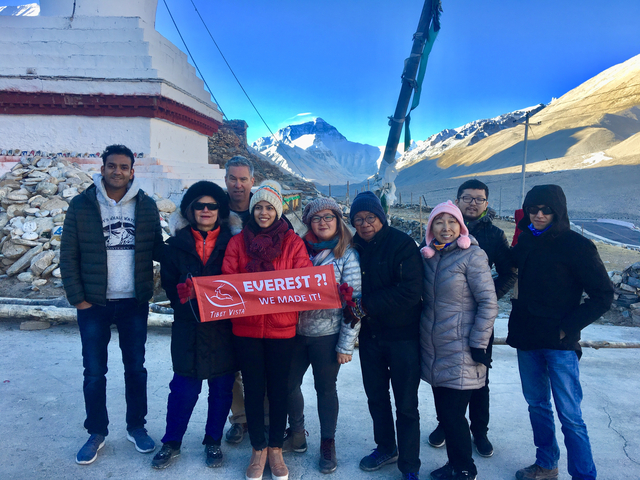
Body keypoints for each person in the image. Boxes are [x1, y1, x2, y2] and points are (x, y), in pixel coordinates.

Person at [61, 144, 163, 465]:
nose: (117, 171)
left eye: (123, 167)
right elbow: (68, 255)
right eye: (111, 166)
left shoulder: (146, 207)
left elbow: (157, 248)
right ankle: (96, 431)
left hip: (133, 302)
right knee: (94, 372)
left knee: (136, 368)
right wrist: (78, 297)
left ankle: (137, 426)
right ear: (102, 168)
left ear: (133, 171)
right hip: (94, 303)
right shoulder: (81, 205)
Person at [508, 185, 613, 480]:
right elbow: (507, 263)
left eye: (546, 210)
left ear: (559, 211)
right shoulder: (527, 240)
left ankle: (583, 475)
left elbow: (603, 295)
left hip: (560, 344)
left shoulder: (577, 245)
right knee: (537, 407)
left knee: (571, 416)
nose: (539, 215)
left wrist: (569, 327)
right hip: (527, 340)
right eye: (533, 209)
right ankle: (546, 464)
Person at [222, 180, 312, 480]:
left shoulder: (293, 243)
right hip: (246, 329)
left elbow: (301, 283)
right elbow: (228, 282)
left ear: (278, 210)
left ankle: (275, 446)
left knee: (278, 390)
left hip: (282, 329)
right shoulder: (237, 243)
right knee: (253, 387)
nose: (263, 213)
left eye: (268, 207)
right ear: (252, 209)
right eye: (258, 207)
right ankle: (258, 447)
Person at [151, 181, 243, 469]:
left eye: (212, 206)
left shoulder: (234, 244)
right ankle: (172, 441)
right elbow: (168, 282)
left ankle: (213, 440)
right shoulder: (174, 247)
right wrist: (182, 297)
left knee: (221, 388)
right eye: (199, 206)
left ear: (220, 211)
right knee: (182, 389)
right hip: (188, 328)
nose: (206, 210)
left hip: (224, 329)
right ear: (190, 211)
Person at [428, 179, 517, 457]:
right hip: (445, 323)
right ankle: (448, 425)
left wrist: (484, 300)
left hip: (478, 323)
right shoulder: (438, 228)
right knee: (443, 377)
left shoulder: (493, 236)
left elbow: (509, 272)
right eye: (467, 198)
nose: (473, 203)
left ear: (486, 204)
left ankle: (479, 431)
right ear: (457, 200)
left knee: (479, 379)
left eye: (479, 199)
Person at [420, 201, 498, 480]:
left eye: (452, 222)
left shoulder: (473, 256)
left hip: (464, 349)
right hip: (435, 350)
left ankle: (465, 469)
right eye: (439, 222)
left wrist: (479, 343)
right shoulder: (428, 257)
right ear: (430, 228)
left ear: (461, 226)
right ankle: (455, 464)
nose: (446, 228)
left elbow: (489, 303)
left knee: (453, 416)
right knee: (446, 414)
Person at [283, 197, 362, 474]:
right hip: (294, 332)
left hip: (326, 335)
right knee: (288, 384)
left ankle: (328, 442)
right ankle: (297, 433)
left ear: (338, 221)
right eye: (317, 218)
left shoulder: (347, 256)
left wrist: (346, 345)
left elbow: (355, 306)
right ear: (309, 223)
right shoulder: (297, 250)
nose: (323, 222)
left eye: (329, 217)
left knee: (325, 389)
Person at [349, 191, 423, 480]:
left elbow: (409, 291)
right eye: (358, 219)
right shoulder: (353, 247)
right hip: (371, 338)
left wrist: (365, 305)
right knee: (376, 397)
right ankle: (385, 447)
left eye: (370, 217)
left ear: (381, 217)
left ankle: (410, 464)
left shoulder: (402, 244)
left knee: (406, 403)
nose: (365, 224)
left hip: (403, 337)